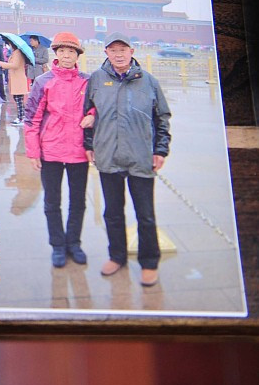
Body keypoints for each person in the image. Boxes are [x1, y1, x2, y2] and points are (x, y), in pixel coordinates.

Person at [83, 32, 171, 287]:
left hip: (141, 156)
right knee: (112, 212)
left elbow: (162, 118)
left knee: (145, 214)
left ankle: (149, 262)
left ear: (132, 51)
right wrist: (89, 144)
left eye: (123, 49)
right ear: (106, 53)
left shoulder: (149, 81)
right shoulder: (97, 80)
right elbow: (88, 113)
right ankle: (117, 256)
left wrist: (160, 150)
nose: (118, 54)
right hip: (108, 154)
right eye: (113, 50)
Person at [24, 32, 91, 267]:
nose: (66, 55)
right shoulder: (44, 81)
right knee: (52, 201)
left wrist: (91, 115)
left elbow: (96, 107)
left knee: (78, 200)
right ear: (56, 54)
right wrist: (33, 151)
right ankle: (57, 245)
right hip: (50, 150)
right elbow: (31, 118)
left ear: (77, 54)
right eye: (62, 51)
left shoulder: (86, 81)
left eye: (71, 51)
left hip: (79, 150)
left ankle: (74, 242)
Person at [0, 44, 28, 125]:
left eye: (9, 44)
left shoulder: (18, 53)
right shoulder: (15, 53)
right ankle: (22, 116)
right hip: (16, 79)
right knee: (17, 98)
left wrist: (2, 64)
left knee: (18, 99)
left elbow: (15, 65)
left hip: (18, 79)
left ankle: (21, 118)